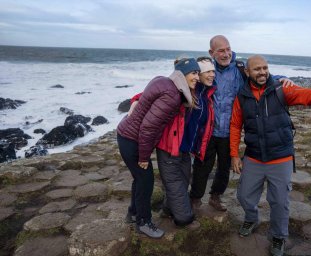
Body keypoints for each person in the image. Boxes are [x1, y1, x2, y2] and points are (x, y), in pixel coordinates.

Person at [230, 55, 311, 256]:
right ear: (247, 72)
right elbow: (236, 125)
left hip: (280, 157)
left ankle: (279, 237)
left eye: (265, 68)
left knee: (279, 202)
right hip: (254, 156)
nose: (262, 72)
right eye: (257, 69)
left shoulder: (281, 88)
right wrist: (234, 154)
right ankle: (251, 218)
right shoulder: (242, 95)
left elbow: (309, 96)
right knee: (244, 196)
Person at [189, 35, 293, 211]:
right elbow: (184, 80)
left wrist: (284, 78)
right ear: (211, 52)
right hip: (206, 130)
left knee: (224, 168)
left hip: (230, 130)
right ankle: (195, 199)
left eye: (228, 49)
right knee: (202, 166)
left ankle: (216, 197)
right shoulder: (205, 69)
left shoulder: (239, 68)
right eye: (221, 50)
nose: (226, 53)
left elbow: (263, 76)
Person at [127, 57, 217, 228]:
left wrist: (284, 79)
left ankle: (167, 210)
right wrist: (135, 101)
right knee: (176, 186)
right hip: (170, 147)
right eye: (206, 71)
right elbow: (151, 94)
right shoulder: (185, 88)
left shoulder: (208, 92)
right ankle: (182, 217)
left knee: (182, 183)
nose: (212, 74)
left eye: (213, 71)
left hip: (186, 149)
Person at [117, 58, 200, 238]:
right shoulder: (173, 96)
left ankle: (132, 213)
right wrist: (144, 158)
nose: (197, 77)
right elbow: (148, 127)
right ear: (183, 74)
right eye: (194, 73)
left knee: (139, 179)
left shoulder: (164, 81)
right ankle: (143, 222)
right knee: (145, 181)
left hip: (126, 134)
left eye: (198, 73)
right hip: (133, 140)